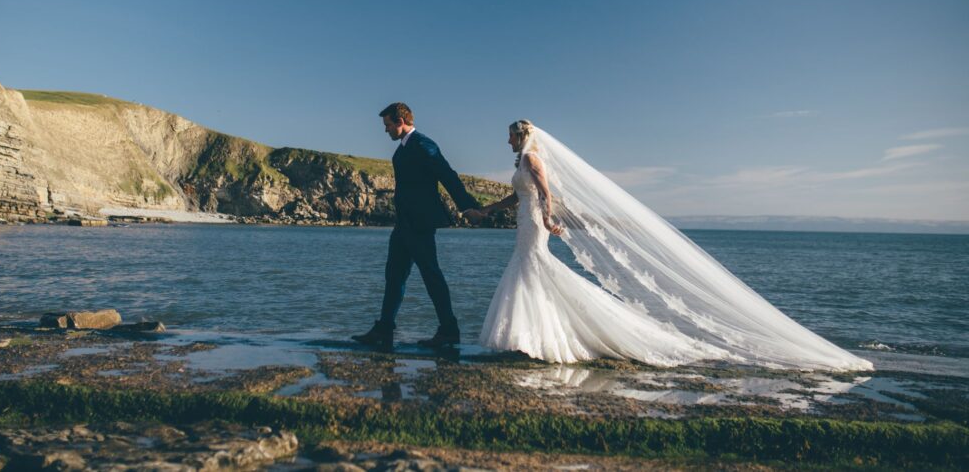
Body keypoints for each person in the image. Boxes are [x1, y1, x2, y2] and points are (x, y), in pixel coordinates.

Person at [464, 120, 873, 371]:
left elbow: (546, 193)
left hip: (534, 225)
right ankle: (530, 338)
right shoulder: (519, 163)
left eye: (510, 136)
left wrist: (550, 218)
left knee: (534, 269)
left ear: (522, 135)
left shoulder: (534, 160)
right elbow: (516, 196)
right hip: (523, 220)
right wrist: (485, 210)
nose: (508, 142)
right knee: (532, 272)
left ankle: (536, 339)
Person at [352, 102, 482, 351]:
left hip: (420, 225)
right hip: (403, 225)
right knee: (394, 275)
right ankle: (384, 328)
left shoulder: (424, 145)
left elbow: (448, 175)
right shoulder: (402, 149)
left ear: (400, 122)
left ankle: (449, 330)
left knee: (431, 275)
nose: (386, 130)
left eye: (388, 125)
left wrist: (467, 207)